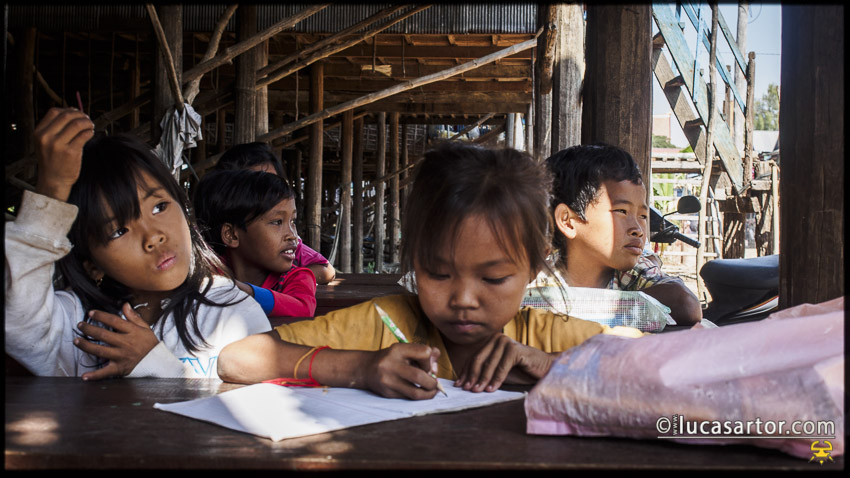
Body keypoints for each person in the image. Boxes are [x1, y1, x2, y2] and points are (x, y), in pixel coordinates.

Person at [217, 142, 642, 400]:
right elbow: (236, 359)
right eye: (438, 273)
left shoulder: (547, 337)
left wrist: (551, 365)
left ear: (533, 267)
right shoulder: (384, 323)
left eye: (493, 278)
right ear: (413, 260)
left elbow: (656, 364)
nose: (463, 299)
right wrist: (362, 369)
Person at [4, 108, 272, 380]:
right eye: (119, 231)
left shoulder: (230, 311)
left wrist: (155, 365)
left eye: (159, 207)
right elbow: (18, 319)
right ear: (92, 265)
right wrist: (51, 192)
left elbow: (254, 402)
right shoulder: (75, 321)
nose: (153, 236)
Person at [539, 143, 702, 325]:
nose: (638, 229)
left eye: (642, 216)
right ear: (568, 221)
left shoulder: (633, 274)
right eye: (621, 211)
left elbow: (686, 303)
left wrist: (592, 309)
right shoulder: (536, 277)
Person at [193, 169, 317, 319]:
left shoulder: (297, 278)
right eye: (277, 222)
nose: (292, 235)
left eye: (293, 222)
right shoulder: (210, 273)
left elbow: (303, 309)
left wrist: (242, 292)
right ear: (231, 235)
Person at [213, 142, 336, 284]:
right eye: (259, 186)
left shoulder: (285, 242)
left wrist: (285, 279)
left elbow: (326, 270)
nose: (271, 193)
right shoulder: (205, 249)